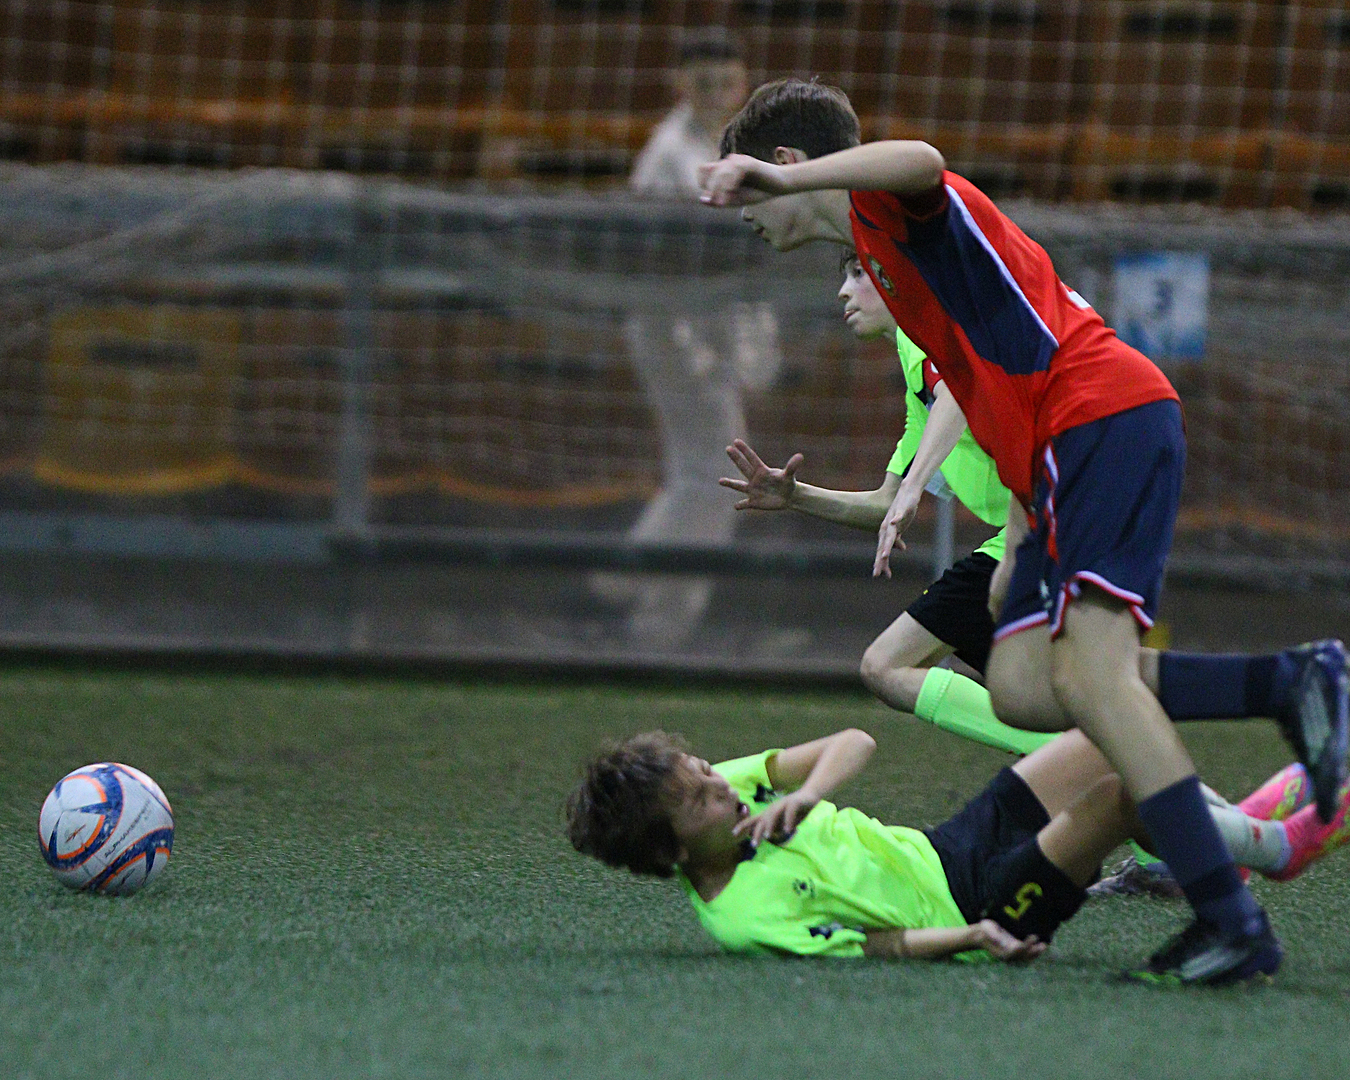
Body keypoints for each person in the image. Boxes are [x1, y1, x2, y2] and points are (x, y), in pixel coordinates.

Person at [697, 78, 1350, 983]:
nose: (748, 216)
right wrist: (1019, 518)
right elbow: (981, 391)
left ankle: (1231, 916)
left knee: (1094, 680)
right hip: (1054, 459)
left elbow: (922, 158)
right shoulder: (885, 262)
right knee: (1022, 688)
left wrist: (778, 182)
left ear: (784, 165)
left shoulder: (889, 211)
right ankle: (1289, 683)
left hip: (1097, 415)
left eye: (753, 189)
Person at [566, 727, 1350, 969]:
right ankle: (1273, 851)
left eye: (707, 769)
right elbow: (876, 946)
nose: (722, 787)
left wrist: (805, 793)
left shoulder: (739, 787)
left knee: (1105, 736)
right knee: (1116, 799)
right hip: (979, 904)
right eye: (699, 799)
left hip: (948, 848)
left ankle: (1231, 848)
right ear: (671, 854)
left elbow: (853, 739)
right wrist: (974, 937)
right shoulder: (742, 916)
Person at [598, 30, 773, 645]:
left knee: (704, 476)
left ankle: (630, 601)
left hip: (711, 328)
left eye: (726, 81)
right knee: (719, 478)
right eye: (703, 82)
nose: (716, 92)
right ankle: (638, 607)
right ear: (679, 84)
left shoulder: (740, 145)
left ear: (742, 83)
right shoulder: (669, 153)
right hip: (673, 329)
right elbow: (676, 263)